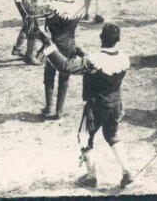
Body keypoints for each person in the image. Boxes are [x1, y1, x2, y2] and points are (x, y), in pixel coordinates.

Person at [43, 23, 134, 189]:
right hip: (115, 104)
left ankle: (91, 176)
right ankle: (127, 170)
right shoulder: (124, 57)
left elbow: (66, 66)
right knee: (112, 136)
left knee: (84, 138)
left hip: (96, 107)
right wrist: (83, 54)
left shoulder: (94, 60)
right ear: (118, 40)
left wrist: (49, 44)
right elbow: (104, 68)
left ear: (100, 37)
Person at [42, 0, 84, 119]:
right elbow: (65, 6)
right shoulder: (78, 5)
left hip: (54, 44)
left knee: (49, 75)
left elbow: (49, 26)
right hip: (70, 44)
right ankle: (59, 111)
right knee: (65, 77)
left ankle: (49, 108)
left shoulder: (53, 6)